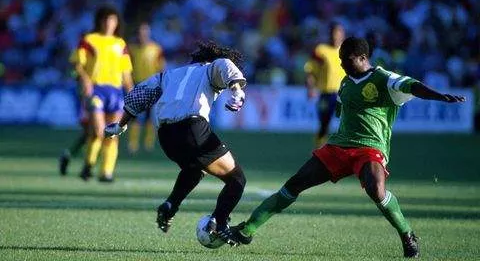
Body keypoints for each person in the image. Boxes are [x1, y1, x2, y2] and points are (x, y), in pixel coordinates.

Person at [232, 37, 466, 258]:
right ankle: (247, 229)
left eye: (346, 59)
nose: (342, 63)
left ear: (363, 57)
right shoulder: (345, 82)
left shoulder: (384, 79)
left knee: (377, 191)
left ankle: (407, 234)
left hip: (370, 147)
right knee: (295, 183)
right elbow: (342, 106)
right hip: (339, 146)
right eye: (341, 59)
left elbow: (413, 86)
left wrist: (440, 97)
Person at [104, 41, 248, 245]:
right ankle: (220, 223)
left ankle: (171, 204)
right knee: (237, 180)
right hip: (192, 129)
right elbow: (223, 64)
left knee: (195, 168)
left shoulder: (169, 75)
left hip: (166, 137)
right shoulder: (210, 68)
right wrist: (237, 91)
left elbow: (140, 94)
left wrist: (120, 125)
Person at [70, 5, 134, 182]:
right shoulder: (89, 40)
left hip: (115, 92)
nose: (109, 23)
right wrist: (85, 80)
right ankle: (89, 164)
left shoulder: (120, 44)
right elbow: (77, 65)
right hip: (96, 90)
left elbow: (126, 74)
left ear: (116, 22)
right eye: (106, 19)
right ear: (100, 21)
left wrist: (132, 94)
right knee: (99, 131)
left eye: (112, 20)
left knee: (112, 133)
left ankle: (106, 172)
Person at [304, 22, 346, 147]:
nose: (335, 36)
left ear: (342, 34)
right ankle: (318, 152)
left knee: (346, 127)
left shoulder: (346, 51)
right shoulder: (321, 50)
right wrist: (310, 88)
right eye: (333, 32)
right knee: (324, 125)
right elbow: (311, 70)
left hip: (344, 95)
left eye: (338, 33)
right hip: (326, 94)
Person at [127, 21, 166, 154]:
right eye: (140, 32)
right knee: (134, 115)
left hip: (151, 85)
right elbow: (126, 66)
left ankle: (148, 144)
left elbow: (161, 67)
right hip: (136, 84)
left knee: (150, 115)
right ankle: (133, 144)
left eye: (145, 32)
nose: (142, 35)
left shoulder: (156, 49)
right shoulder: (131, 48)